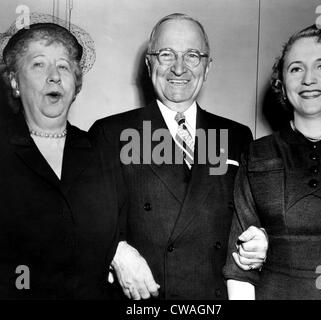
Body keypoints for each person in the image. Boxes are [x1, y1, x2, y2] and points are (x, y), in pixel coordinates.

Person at [90, 13, 268, 300]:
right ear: (149, 64)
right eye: (166, 54)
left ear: (208, 67)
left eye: (192, 56)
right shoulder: (111, 133)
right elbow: (88, 220)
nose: (179, 68)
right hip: (143, 299)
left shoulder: (235, 136)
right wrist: (116, 251)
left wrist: (260, 241)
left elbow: (252, 220)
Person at [0, 12, 126, 299]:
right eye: (38, 64)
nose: (54, 76)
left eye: (63, 66)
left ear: (75, 84)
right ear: (14, 82)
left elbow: (116, 237)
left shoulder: (101, 151)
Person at [224, 24, 321, 299]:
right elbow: (240, 271)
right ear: (281, 83)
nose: (308, 79)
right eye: (296, 68)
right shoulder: (257, 155)